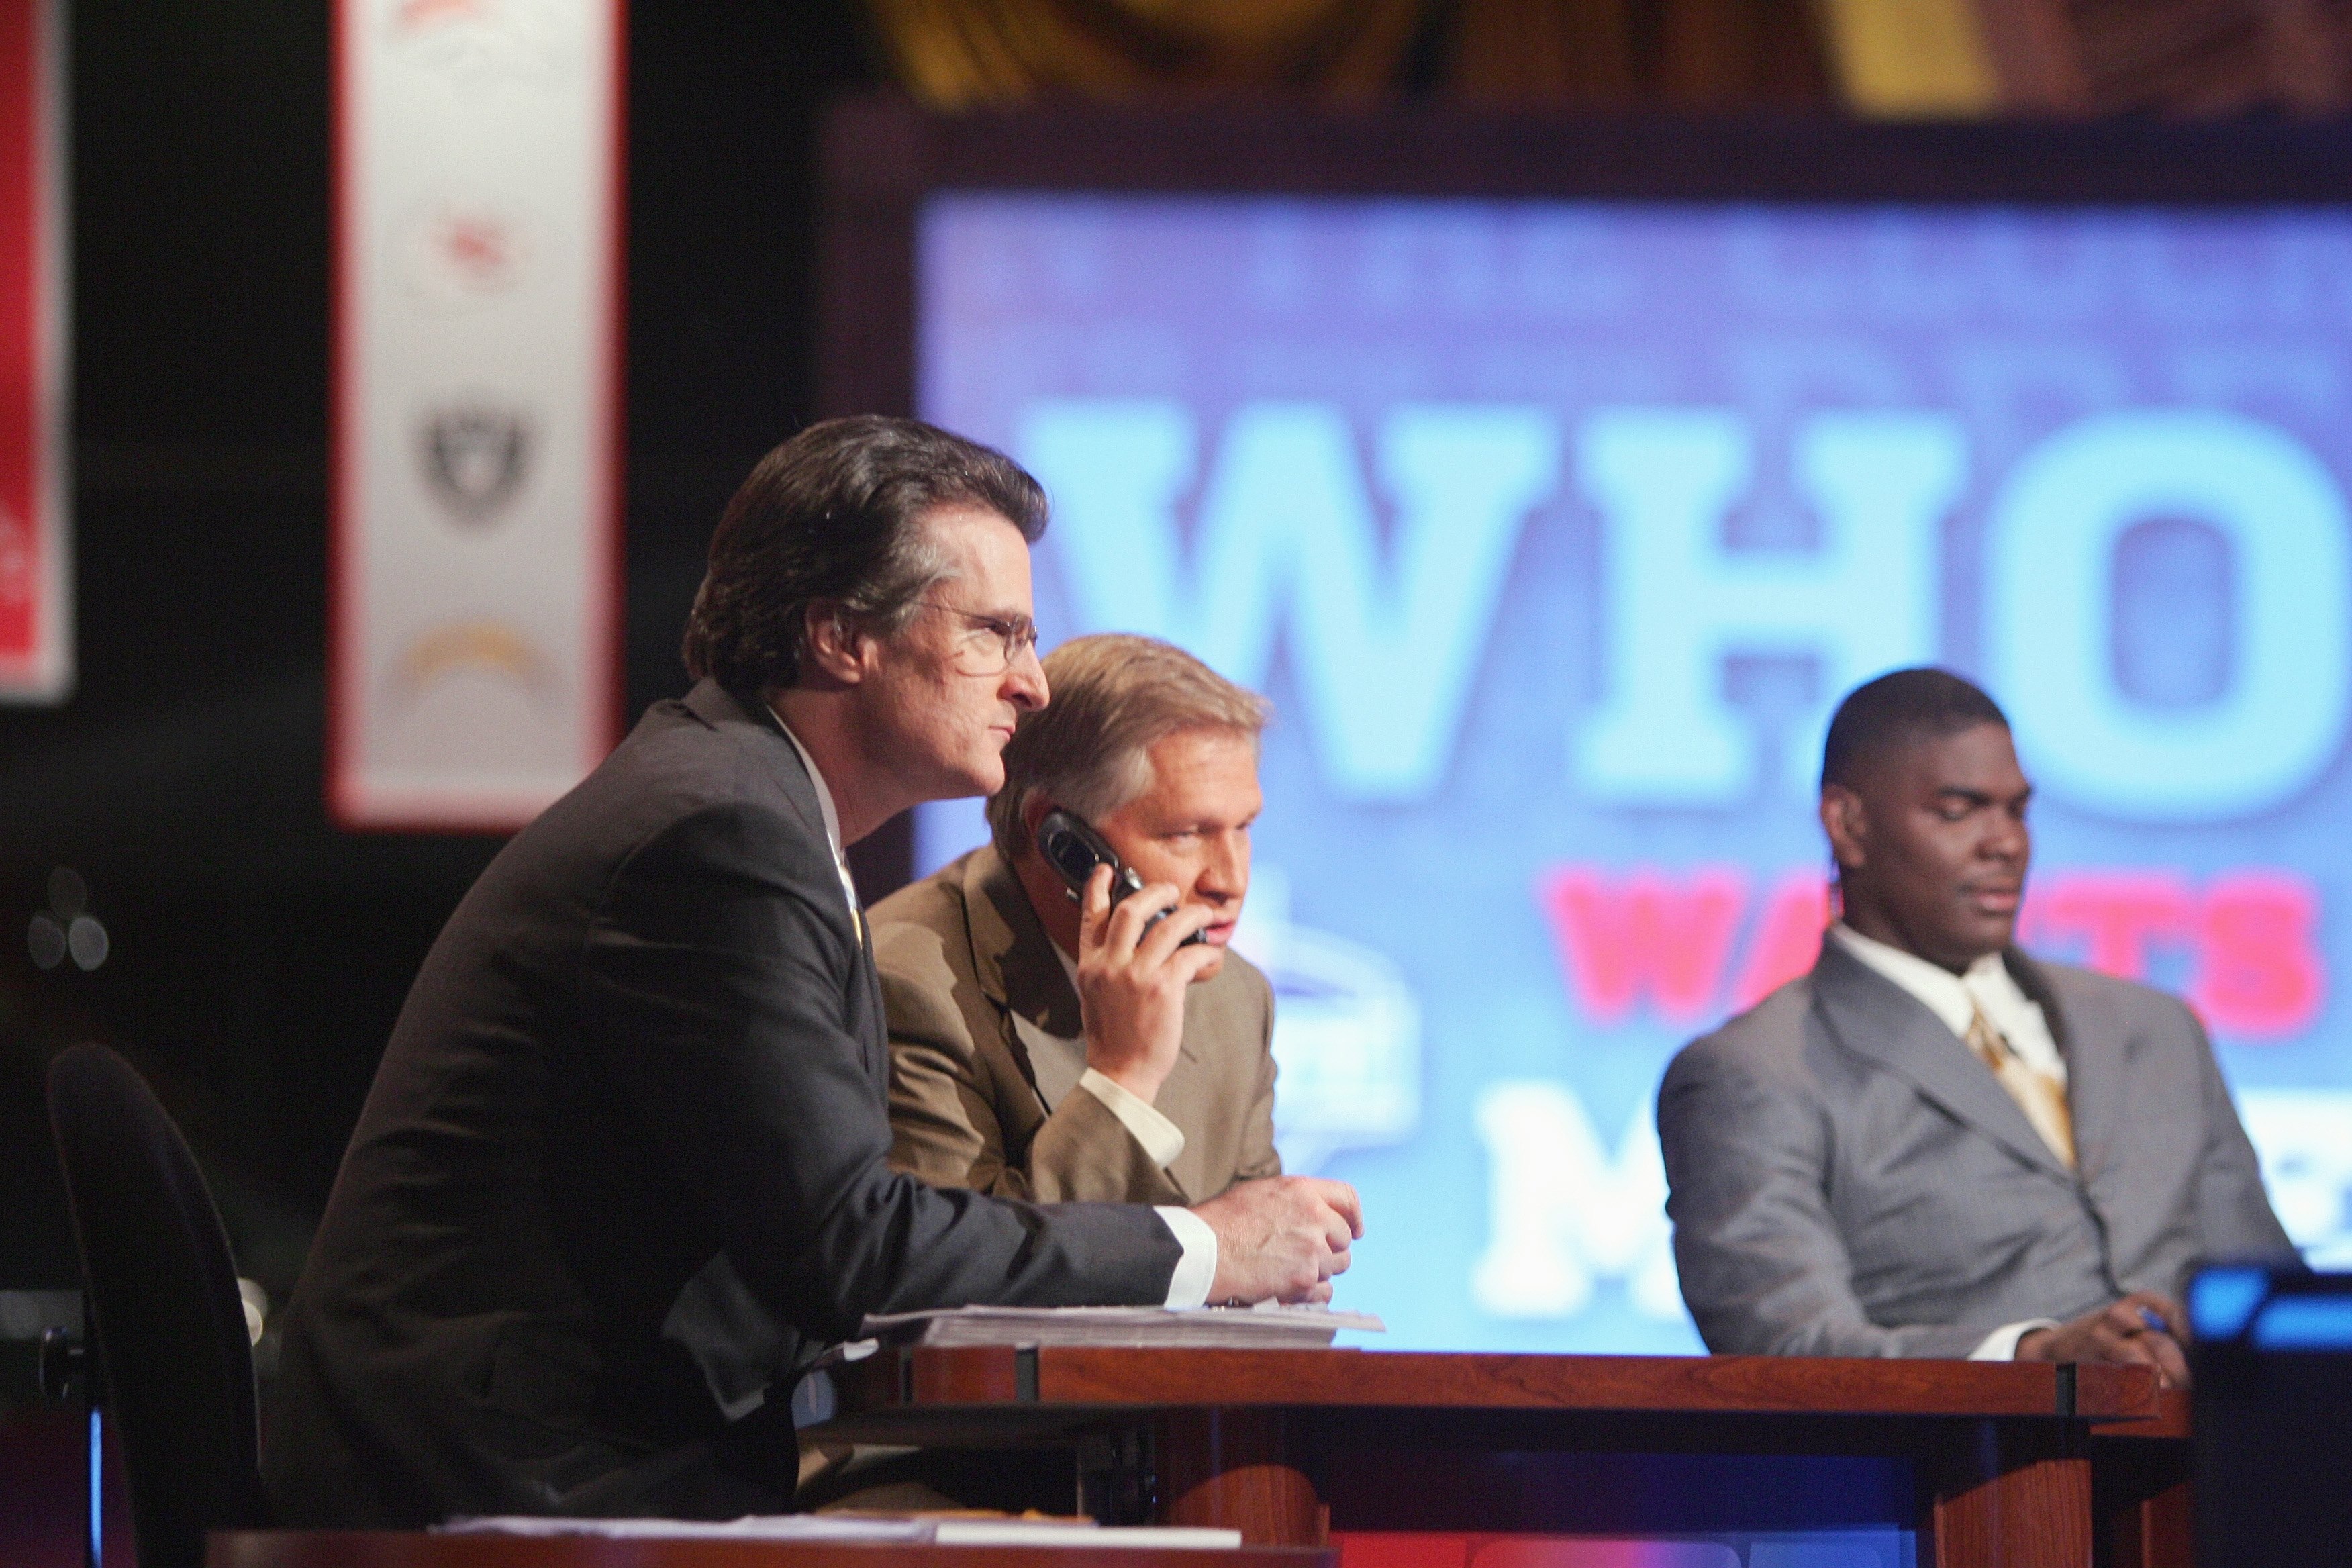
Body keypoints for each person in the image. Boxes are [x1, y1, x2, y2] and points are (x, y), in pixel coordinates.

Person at [264, 418, 1361, 1526]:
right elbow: (852, 1250)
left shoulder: (739, 800)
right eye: (993, 633)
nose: (1029, 684)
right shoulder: (719, 834)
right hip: (504, 1474)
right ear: (840, 636)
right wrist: (1205, 1244)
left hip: (560, 1449)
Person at [1658, 667, 2292, 1382]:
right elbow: (1789, 1350)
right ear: (1848, 824)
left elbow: (2273, 1303)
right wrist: (2034, 1357)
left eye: (2017, 811)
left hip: (2216, 1480)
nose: (2006, 844)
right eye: (1960, 811)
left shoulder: (2155, 1029)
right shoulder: (1754, 1073)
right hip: (1974, 1480)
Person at [873, 633, 1278, 1206]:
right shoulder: (906, 983)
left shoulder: (1239, 999)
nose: (1230, 880)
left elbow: (1255, 1248)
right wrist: (1122, 1082)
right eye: (1186, 834)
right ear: (1061, 838)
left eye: (1243, 828)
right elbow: (959, 1266)